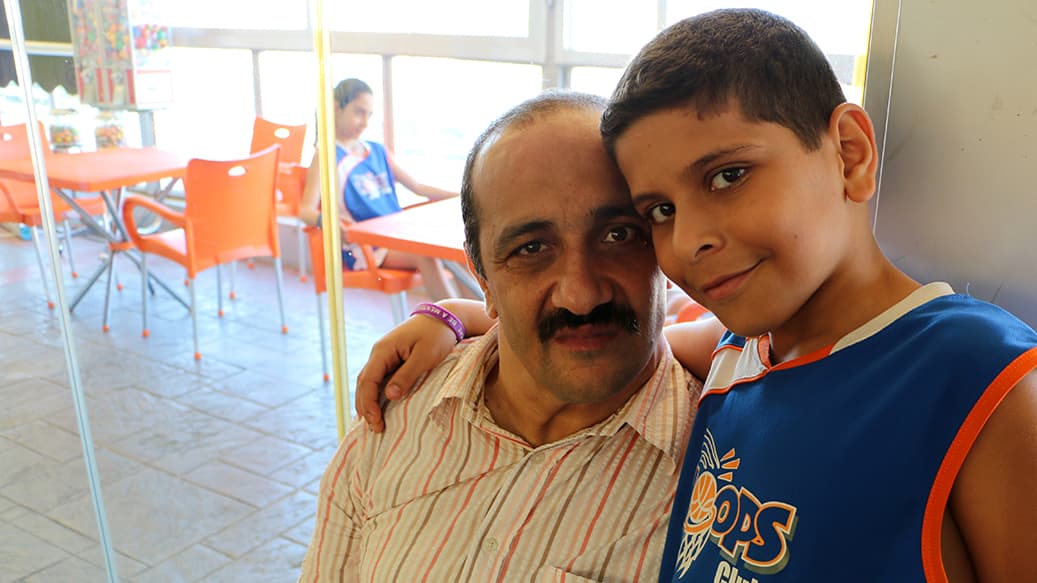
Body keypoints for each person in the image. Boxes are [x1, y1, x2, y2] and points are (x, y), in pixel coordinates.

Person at [354, 9, 1037, 582]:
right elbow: (596, 329)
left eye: (726, 175)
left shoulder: (979, 379)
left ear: (849, 154)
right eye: (656, 211)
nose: (689, 241)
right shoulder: (738, 351)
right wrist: (456, 314)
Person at [298, 91, 703, 581]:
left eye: (619, 235)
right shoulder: (394, 423)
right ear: (483, 276)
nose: (581, 296)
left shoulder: (727, 482)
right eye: (531, 248)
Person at [300, 77, 461, 300]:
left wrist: (464, 197)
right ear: (337, 108)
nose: (365, 122)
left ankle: (485, 324)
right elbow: (305, 210)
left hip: (396, 236)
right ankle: (465, 328)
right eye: (359, 112)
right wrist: (326, 221)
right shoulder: (326, 157)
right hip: (366, 247)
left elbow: (417, 186)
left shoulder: (376, 150)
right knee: (427, 255)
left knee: (460, 252)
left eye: (369, 114)